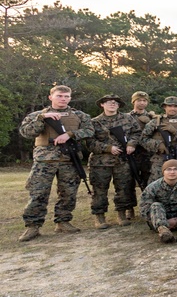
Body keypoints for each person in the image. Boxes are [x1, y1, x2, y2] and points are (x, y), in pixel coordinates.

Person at [18, 85, 96, 241]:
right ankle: (33, 226)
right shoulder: (37, 115)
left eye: (66, 96)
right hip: (44, 160)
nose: (63, 99)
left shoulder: (79, 115)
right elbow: (26, 132)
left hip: (69, 159)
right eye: (60, 96)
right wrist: (42, 119)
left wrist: (70, 134)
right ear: (50, 97)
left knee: (68, 192)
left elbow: (90, 131)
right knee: (38, 193)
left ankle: (63, 221)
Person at [88, 94, 142, 228]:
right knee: (99, 189)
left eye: (115, 102)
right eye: (108, 102)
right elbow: (89, 142)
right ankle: (99, 217)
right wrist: (107, 148)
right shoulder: (94, 122)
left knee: (124, 187)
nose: (112, 104)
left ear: (118, 105)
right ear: (102, 104)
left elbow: (137, 133)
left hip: (123, 160)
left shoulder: (128, 118)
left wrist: (131, 144)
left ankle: (122, 214)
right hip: (101, 162)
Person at [141, 96, 177, 180]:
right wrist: (158, 144)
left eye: (175, 106)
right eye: (170, 106)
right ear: (165, 107)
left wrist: (175, 131)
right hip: (160, 160)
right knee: (157, 186)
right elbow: (143, 139)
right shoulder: (156, 122)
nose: (173, 108)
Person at [127, 91, 155, 193]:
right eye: (139, 100)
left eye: (144, 101)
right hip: (131, 152)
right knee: (129, 180)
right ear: (133, 101)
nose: (142, 103)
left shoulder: (153, 117)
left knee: (148, 179)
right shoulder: (126, 117)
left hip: (147, 153)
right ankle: (130, 206)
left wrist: (150, 122)